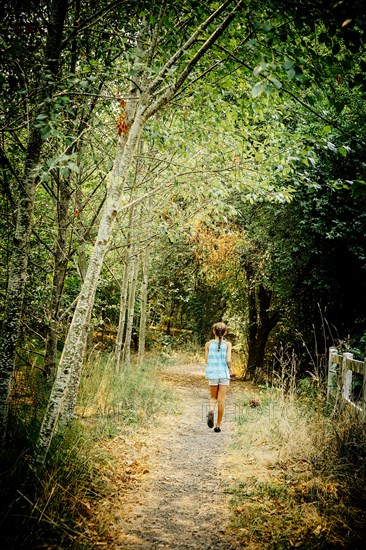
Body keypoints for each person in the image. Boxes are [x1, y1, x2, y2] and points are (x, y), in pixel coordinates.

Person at [204, 322, 232, 433]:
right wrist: (230, 368)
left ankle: (211, 410)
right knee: (221, 400)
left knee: (213, 398)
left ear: (213, 332)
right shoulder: (228, 345)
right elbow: (228, 360)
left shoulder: (208, 345)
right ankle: (218, 426)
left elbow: (207, 361)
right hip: (223, 374)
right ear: (225, 332)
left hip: (213, 374)